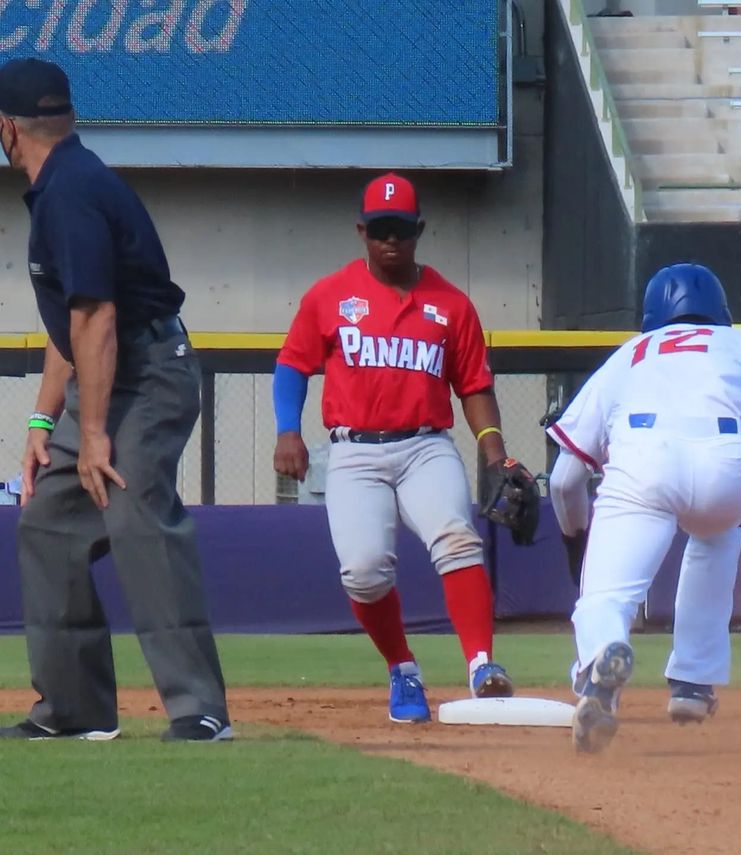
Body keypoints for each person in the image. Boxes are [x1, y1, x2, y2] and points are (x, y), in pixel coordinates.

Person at [0, 58, 231, 741]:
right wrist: (47, 420)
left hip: (150, 371)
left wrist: (93, 431)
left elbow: (97, 317)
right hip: (106, 375)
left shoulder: (70, 190)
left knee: (134, 514)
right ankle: (71, 709)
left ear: (8, 128)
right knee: (46, 519)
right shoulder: (63, 181)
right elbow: (69, 325)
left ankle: (199, 708)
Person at [547, 263, 741, 753]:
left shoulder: (629, 355)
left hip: (642, 462)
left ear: (651, 317)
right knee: (718, 534)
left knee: (605, 599)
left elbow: (565, 480)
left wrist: (575, 540)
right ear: (721, 312)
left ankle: (602, 655)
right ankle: (692, 683)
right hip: (727, 467)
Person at [273, 173, 531, 722]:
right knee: (364, 572)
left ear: (419, 231)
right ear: (362, 231)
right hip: (353, 451)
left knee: (458, 541)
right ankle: (402, 668)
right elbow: (293, 364)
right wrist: (286, 430)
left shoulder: (451, 305)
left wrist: (495, 455)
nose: (391, 240)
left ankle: (482, 663)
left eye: (402, 230)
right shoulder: (330, 295)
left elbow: (475, 387)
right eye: (380, 229)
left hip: (425, 446)